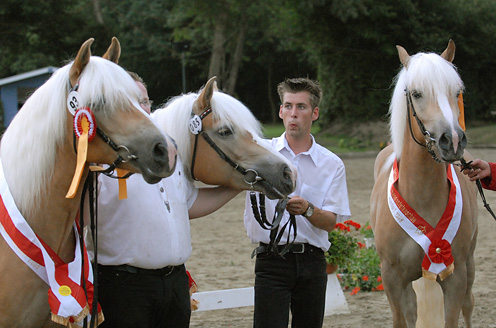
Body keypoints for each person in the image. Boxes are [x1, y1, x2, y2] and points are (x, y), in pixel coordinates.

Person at [87, 72, 240, 328]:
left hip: (175, 283)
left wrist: (237, 186)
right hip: (124, 286)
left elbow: (188, 205)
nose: (142, 108)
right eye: (132, 102)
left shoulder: (168, 153)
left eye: (145, 101)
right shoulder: (100, 161)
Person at [243, 77, 351, 328]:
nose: (293, 114)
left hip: (312, 262)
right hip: (271, 260)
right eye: (288, 106)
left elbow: (331, 222)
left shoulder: (332, 164)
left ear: (314, 113)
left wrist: (307, 210)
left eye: (301, 107)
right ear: (280, 111)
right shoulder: (258, 154)